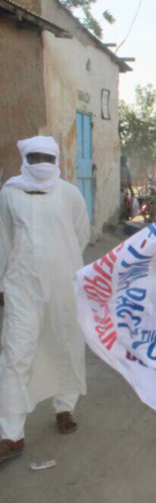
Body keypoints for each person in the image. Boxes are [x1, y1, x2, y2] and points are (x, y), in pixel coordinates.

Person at [0, 136, 90, 463]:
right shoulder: (9, 194)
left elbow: (81, 234)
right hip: (22, 286)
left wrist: (61, 263)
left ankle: (64, 409)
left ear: (56, 161)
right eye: (34, 157)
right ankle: (11, 434)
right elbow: (3, 241)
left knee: (66, 343)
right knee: (16, 352)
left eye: (46, 158)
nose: (41, 163)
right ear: (25, 159)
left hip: (64, 283)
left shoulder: (70, 194)